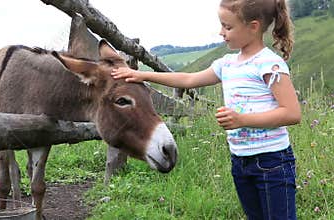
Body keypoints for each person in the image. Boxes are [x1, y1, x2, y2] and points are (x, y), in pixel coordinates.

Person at [111, 0, 301, 219]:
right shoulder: (227, 64)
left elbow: (292, 113)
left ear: (254, 26)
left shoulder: (268, 64)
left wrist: (242, 120)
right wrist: (143, 75)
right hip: (240, 161)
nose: (221, 32)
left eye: (228, 27)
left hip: (272, 163)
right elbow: (188, 79)